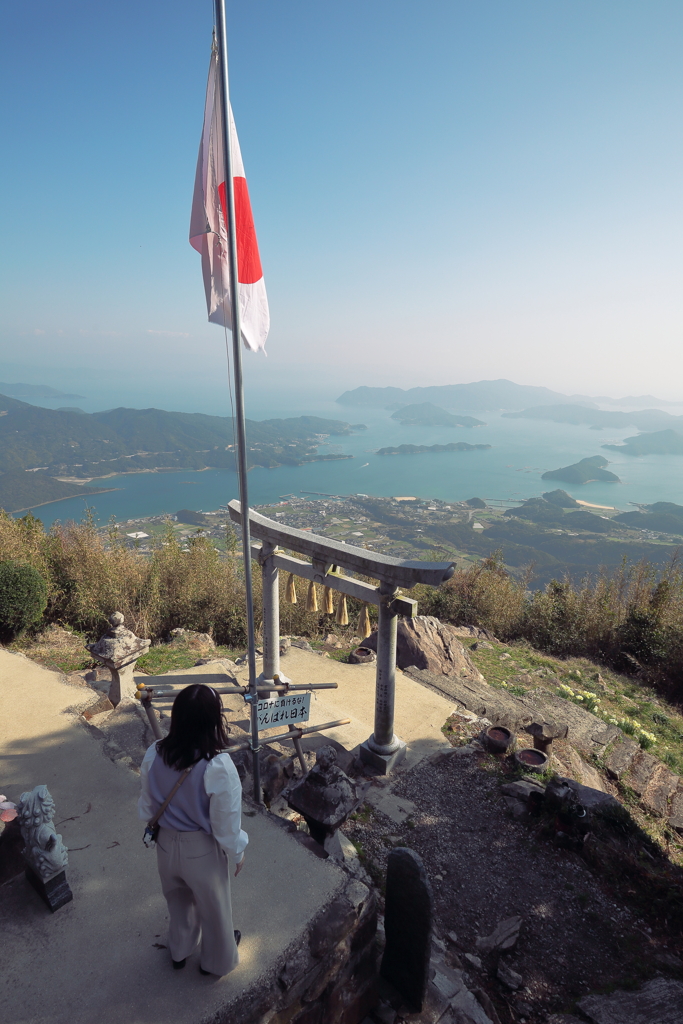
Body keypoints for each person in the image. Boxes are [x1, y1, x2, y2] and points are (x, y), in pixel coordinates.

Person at [138, 683, 248, 976]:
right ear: (214, 721)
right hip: (200, 851)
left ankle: (179, 950)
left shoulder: (155, 752)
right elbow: (226, 824)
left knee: (177, 901)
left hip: (165, 845)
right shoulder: (218, 766)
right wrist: (237, 853)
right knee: (215, 910)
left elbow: (148, 805)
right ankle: (215, 962)